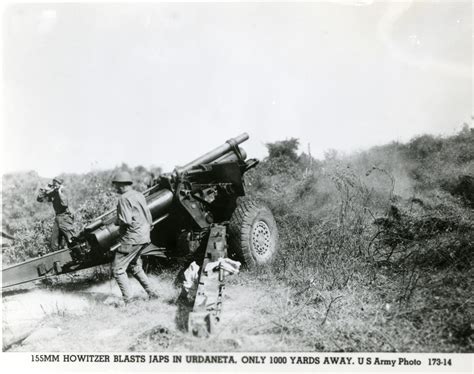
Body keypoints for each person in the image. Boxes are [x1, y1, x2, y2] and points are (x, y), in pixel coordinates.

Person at [111, 171, 159, 304]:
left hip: (131, 239)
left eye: (116, 185)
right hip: (144, 237)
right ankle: (153, 293)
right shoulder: (139, 195)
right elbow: (148, 215)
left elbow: (125, 221)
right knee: (135, 266)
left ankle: (129, 301)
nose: (116, 188)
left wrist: (116, 222)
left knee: (118, 269)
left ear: (121, 185)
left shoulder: (123, 198)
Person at [37, 177, 75, 251]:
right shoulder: (53, 193)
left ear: (60, 185)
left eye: (55, 184)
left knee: (72, 240)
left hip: (65, 217)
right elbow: (40, 199)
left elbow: (64, 204)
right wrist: (44, 190)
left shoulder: (63, 191)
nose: (54, 186)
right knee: (54, 244)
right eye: (53, 185)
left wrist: (59, 191)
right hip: (58, 218)